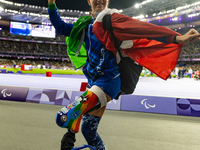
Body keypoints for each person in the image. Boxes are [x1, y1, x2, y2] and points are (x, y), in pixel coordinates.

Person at [47, 0, 200, 149]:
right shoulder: (84, 26)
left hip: (107, 82)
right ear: (89, 1)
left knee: (63, 117)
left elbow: (142, 29)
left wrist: (177, 38)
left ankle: (70, 132)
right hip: (93, 83)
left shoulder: (112, 19)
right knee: (88, 129)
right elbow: (60, 27)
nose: (100, 0)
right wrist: (51, 3)